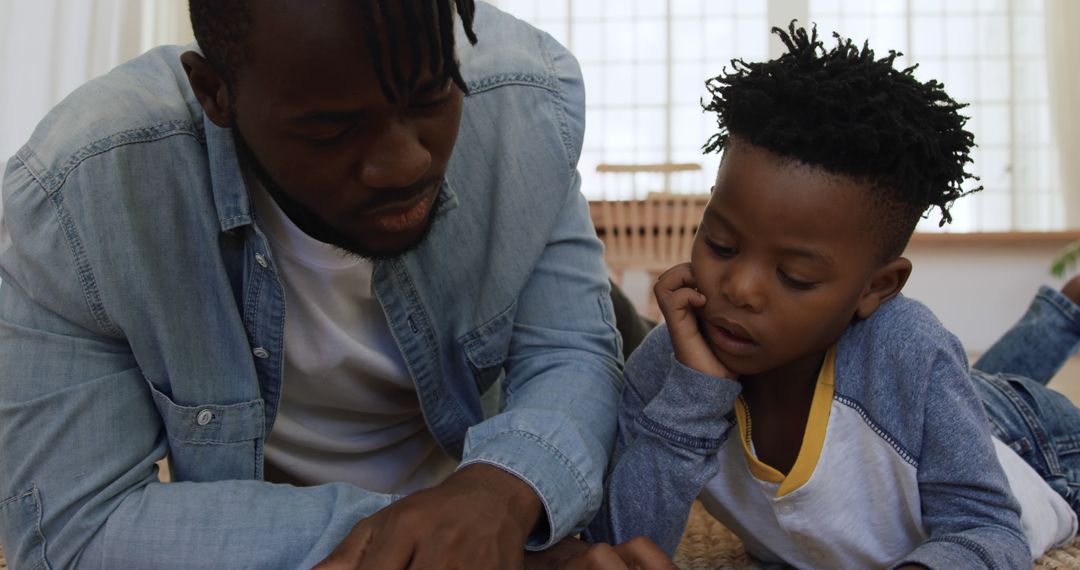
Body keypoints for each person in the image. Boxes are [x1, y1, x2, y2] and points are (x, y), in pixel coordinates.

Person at [0, 1, 624, 568]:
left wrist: (498, 491)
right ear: (214, 93)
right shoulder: (80, 199)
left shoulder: (526, 105)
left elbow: (567, 352)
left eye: (431, 96)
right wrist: (441, 536)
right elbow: (75, 529)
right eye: (333, 130)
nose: (405, 162)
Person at [574, 24, 1080, 569]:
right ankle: (1065, 311)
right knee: (955, 397)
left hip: (1038, 448)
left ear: (877, 287)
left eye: (794, 275)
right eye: (720, 244)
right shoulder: (670, 368)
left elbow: (988, 526)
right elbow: (623, 541)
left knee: (969, 403)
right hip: (923, 407)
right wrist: (693, 398)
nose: (739, 289)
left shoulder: (910, 351)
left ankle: (1063, 313)